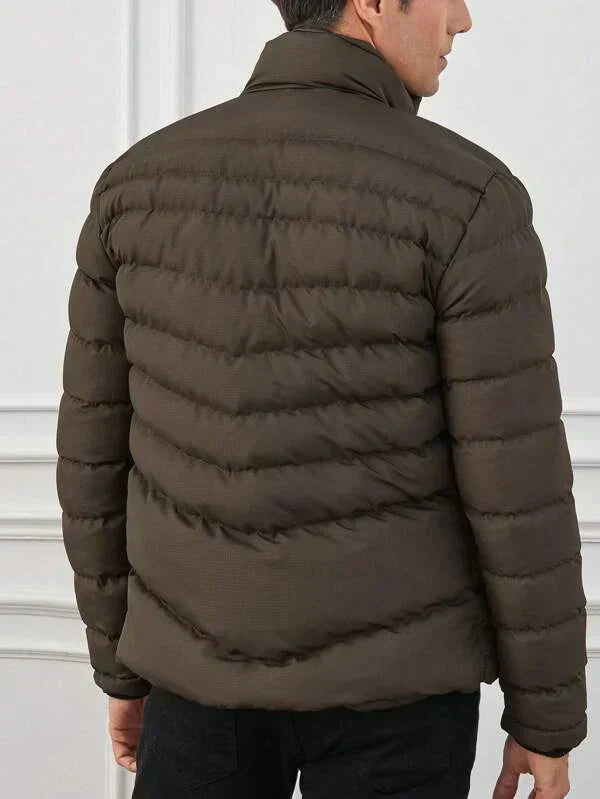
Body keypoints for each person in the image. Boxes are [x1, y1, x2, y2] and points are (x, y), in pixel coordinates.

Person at [56, 0, 588, 796]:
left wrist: (120, 665)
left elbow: (93, 462)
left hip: (193, 687)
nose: (463, 19)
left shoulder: (135, 187)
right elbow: (517, 488)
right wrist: (545, 716)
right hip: (400, 700)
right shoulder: (468, 198)